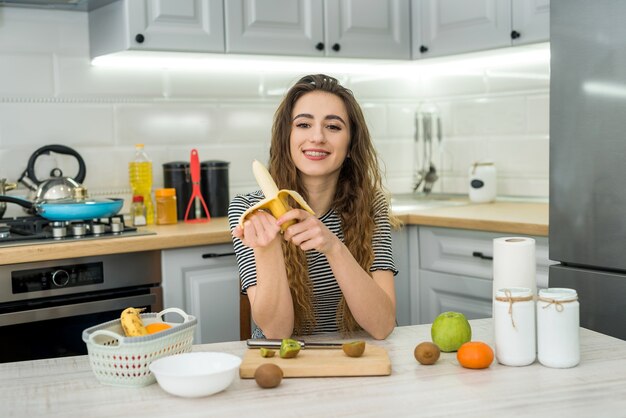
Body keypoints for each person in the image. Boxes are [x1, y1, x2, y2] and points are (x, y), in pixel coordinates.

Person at [228, 74, 398, 340]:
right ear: (287, 137)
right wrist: (267, 248)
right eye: (304, 124)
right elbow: (276, 333)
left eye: (333, 127)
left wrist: (333, 247)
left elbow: (383, 325)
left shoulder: (371, 206)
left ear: (351, 145)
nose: (317, 137)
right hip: (285, 362)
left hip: (353, 359)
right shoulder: (249, 209)